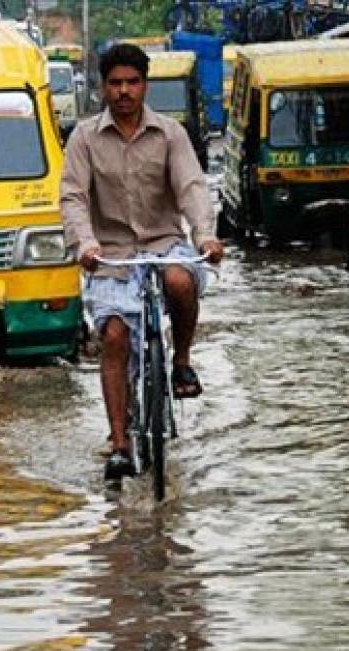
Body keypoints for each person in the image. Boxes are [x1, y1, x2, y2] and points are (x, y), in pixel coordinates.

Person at [60, 43, 224, 483]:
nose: (124, 91)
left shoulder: (171, 134)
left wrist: (204, 236)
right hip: (109, 253)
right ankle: (119, 444)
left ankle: (182, 361)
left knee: (180, 280)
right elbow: (73, 197)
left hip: (162, 244)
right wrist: (85, 243)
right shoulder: (84, 138)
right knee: (114, 335)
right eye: (115, 83)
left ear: (144, 85)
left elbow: (191, 187)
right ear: (103, 88)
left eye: (132, 82)